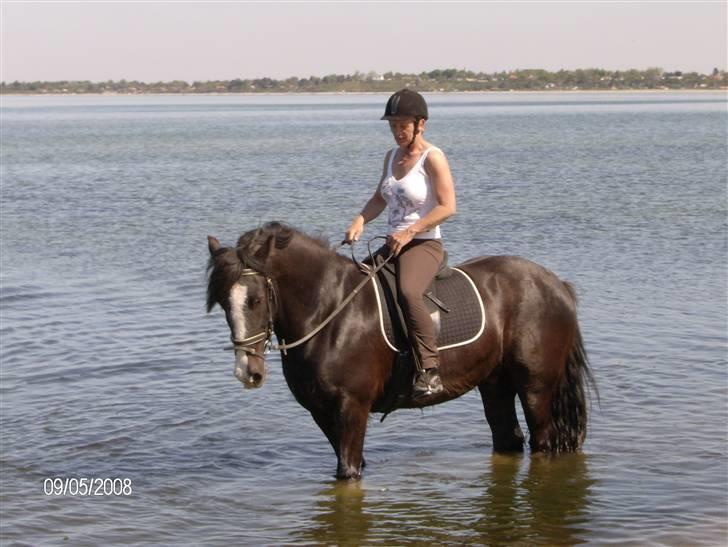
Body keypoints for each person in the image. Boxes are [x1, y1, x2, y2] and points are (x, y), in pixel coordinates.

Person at [344, 89, 456, 398]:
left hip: (423, 244)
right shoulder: (391, 157)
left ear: (421, 124)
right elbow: (381, 197)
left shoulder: (433, 158)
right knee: (354, 285)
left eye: (402, 125)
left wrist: (410, 232)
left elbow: (448, 206)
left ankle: (429, 370)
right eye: (392, 125)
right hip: (392, 244)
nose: (396, 131)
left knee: (408, 292)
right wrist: (360, 220)